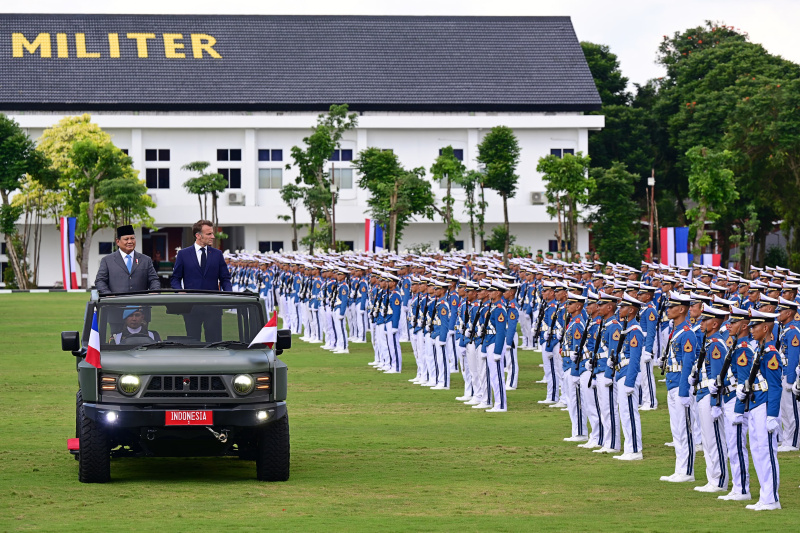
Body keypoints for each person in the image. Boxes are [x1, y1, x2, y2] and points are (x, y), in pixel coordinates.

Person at [170, 220, 232, 342]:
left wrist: (229, 295)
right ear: (198, 235)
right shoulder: (183, 254)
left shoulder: (217, 254)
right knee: (193, 343)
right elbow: (175, 279)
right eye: (209, 234)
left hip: (213, 307)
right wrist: (180, 292)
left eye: (212, 233)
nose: (213, 236)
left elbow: (225, 278)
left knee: (214, 343)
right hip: (191, 308)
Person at [95, 225, 160, 294]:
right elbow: (100, 281)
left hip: (141, 303)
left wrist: (154, 291)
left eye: (132, 238)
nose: (130, 242)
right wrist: (108, 295)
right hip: (116, 303)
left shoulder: (146, 260)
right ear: (117, 241)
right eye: (126, 239)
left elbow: (154, 280)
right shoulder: (107, 261)